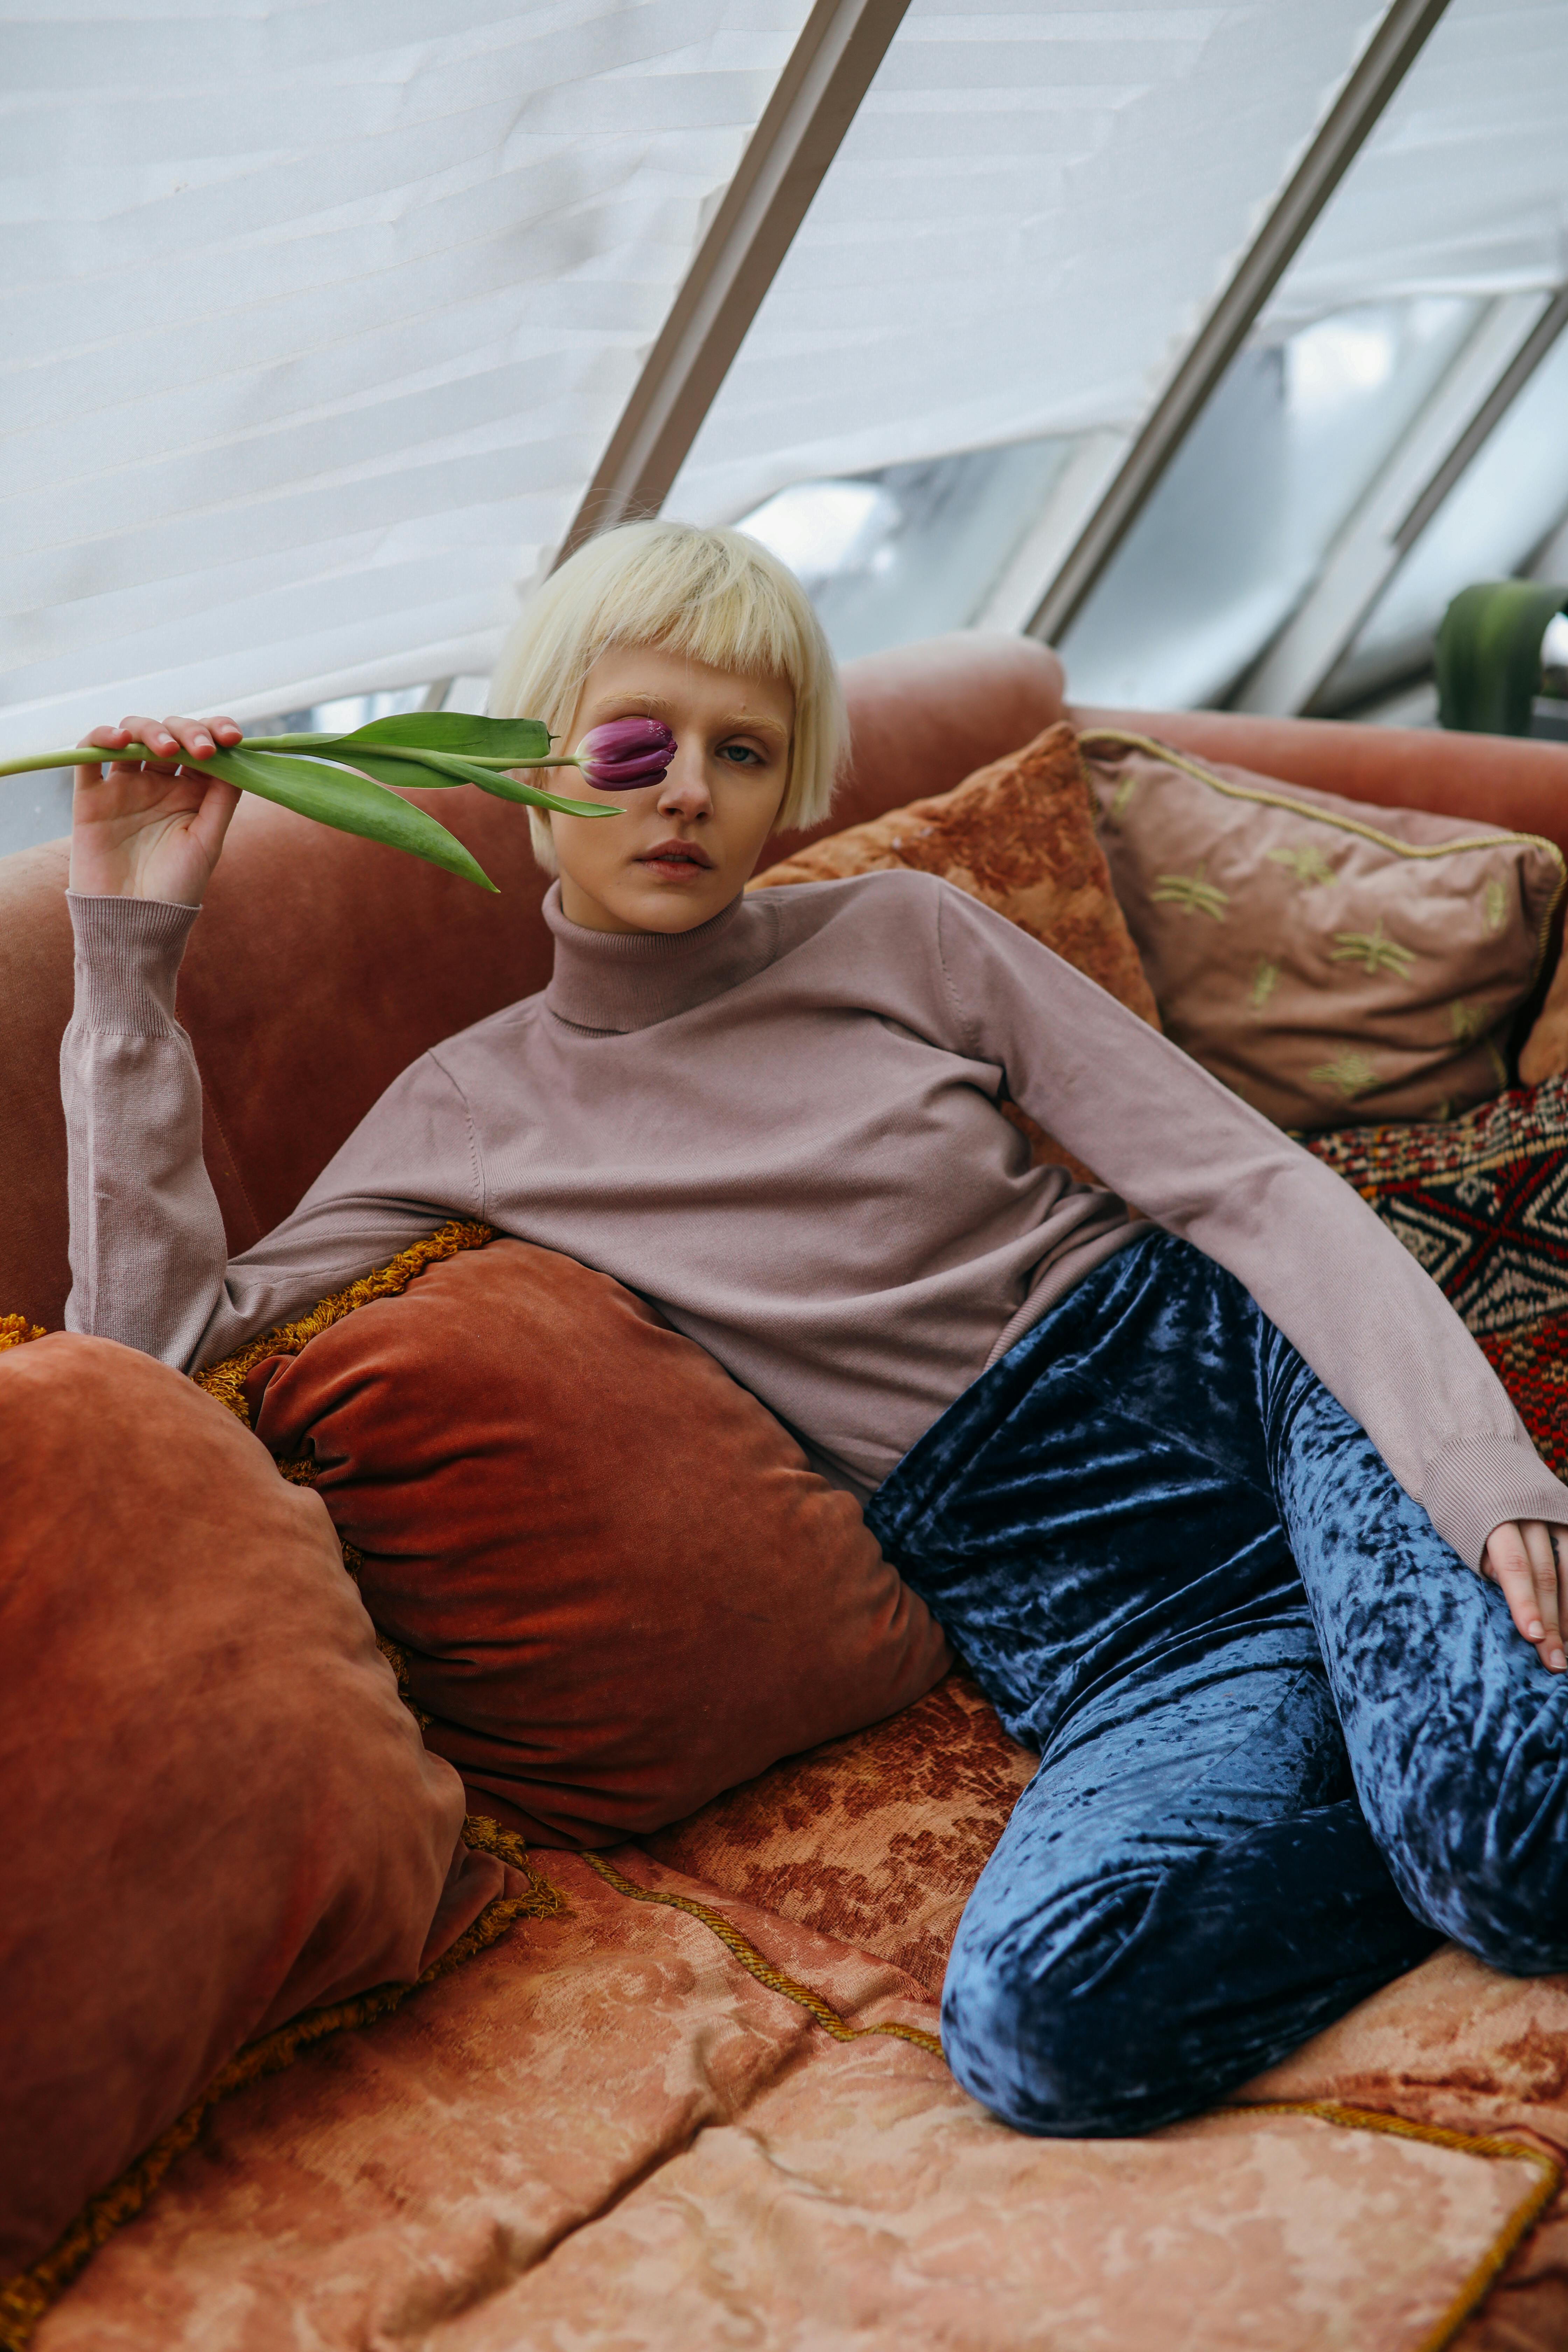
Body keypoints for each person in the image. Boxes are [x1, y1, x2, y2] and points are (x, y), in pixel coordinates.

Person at [64, 520, 1568, 2136]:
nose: (686, 790)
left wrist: (1478, 1472)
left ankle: (1449, 1751)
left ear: (789, 795)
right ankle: (1419, 1750)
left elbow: (1248, 1192)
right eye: (635, 743)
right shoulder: (470, 1111)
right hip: (1097, 1624)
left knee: (1500, 1838)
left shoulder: (904, 935)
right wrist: (129, 952)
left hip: (1255, 1408)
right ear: (531, 774)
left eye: (744, 753)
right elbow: (155, 1353)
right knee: (1039, 2033)